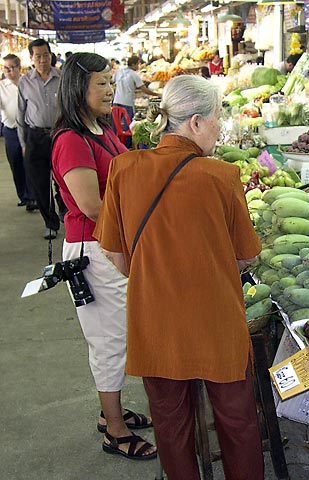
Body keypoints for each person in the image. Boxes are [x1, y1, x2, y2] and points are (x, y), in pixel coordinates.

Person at [94, 75, 264, 479]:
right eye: (217, 119)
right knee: (238, 425)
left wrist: (157, 274)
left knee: (171, 429)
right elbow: (245, 258)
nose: (220, 128)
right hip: (217, 323)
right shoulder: (222, 176)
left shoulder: (124, 168)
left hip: (155, 322)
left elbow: (116, 253)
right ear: (196, 123)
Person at [50, 52, 156, 461]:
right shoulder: (70, 140)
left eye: (111, 82)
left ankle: (110, 411)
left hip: (113, 244)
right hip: (92, 249)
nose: (111, 90)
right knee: (108, 340)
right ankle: (114, 430)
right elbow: (92, 206)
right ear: (79, 88)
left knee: (120, 332)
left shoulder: (101, 126)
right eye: (101, 84)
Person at [17, 38, 64, 239]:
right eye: (38, 56)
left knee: (64, 180)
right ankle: (50, 223)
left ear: (51, 55)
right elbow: (20, 114)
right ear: (31, 58)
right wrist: (23, 143)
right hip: (35, 136)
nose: (43, 59)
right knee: (39, 183)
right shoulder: (25, 81)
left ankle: (65, 211)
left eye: (46, 55)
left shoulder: (61, 78)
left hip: (59, 135)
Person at [0, 54, 35, 210]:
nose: (8, 71)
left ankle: (32, 196)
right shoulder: (1, 87)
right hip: (10, 130)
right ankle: (23, 195)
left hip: (28, 129)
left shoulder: (27, 83)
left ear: (19, 68)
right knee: (15, 163)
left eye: (11, 67)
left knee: (30, 162)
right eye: (5, 68)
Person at [112, 55, 159, 147]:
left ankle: (114, 144)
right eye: (138, 64)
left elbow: (113, 81)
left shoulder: (119, 71)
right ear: (133, 64)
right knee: (129, 127)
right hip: (127, 103)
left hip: (116, 102)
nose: (139, 66)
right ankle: (127, 146)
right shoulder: (133, 74)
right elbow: (144, 90)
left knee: (116, 125)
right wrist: (158, 94)